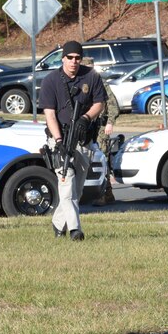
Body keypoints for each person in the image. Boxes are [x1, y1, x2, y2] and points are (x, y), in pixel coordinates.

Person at [40, 40, 106, 240]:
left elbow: (100, 103)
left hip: (84, 140)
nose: (74, 62)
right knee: (67, 188)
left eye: (77, 58)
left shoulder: (91, 76)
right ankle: (76, 230)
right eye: (70, 58)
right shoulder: (51, 81)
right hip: (60, 140)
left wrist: (86, 119)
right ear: (63, 58)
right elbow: (50, 115)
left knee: (76, 189)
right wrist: (59, 142)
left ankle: (58, 223)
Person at [92, 74, 120, 206]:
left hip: (100, 128)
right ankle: (107, 193)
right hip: (86, 127)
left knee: (102, 159)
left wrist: (110, 122)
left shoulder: (100, 83)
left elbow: (113, 105)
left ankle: (104, 193)